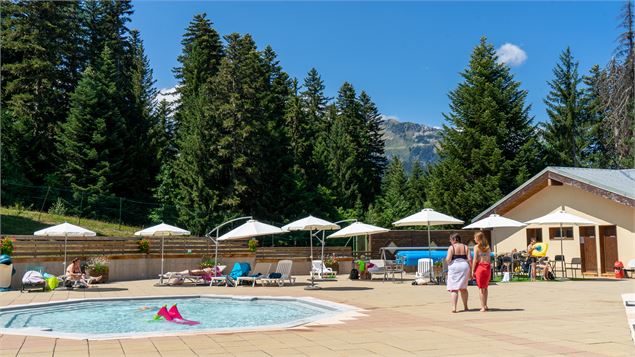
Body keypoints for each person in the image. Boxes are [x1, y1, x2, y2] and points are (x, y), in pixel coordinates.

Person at [446, 233, 471, 313]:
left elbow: (448, 259)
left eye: (450, 240)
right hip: (464, 266)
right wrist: (471, 270)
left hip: (454, 266)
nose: (450, 241)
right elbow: (470, 259)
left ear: (454, 239)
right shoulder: (466, 247)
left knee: (454, 288)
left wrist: (447, 262)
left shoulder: (451, 247)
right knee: (463, 288)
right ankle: (466, 307)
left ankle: (454, 308)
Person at [472, 232, 491, 312]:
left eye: (475, 238)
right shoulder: (488, 247)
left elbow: (475, 259)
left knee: (480, 288)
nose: (474, 239)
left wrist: (472, 270)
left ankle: (482, 306)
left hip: (480, 267)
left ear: (478, 238)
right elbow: (489, 259)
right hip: (487, 267)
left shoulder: (476, 247)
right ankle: (485, 305)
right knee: (485, 287)